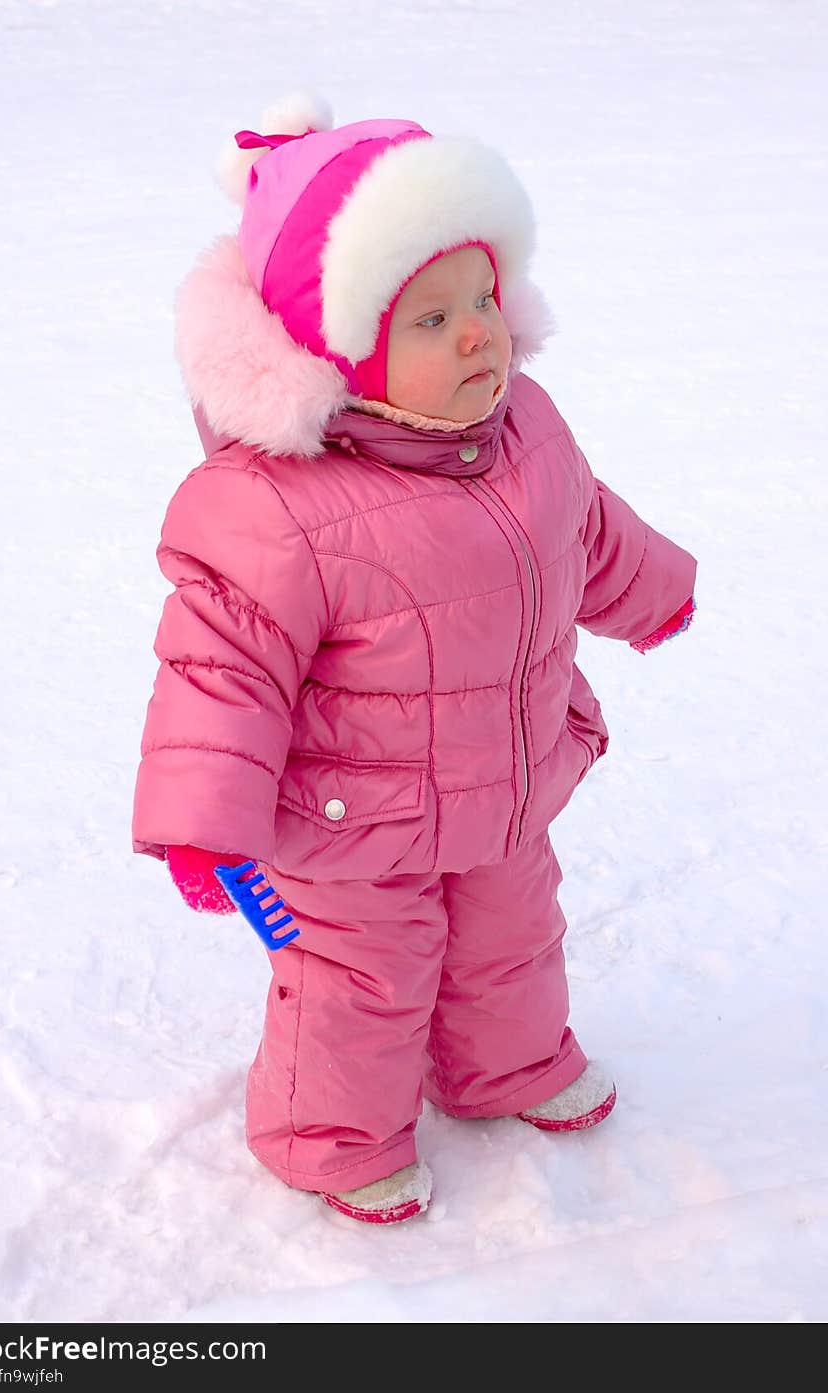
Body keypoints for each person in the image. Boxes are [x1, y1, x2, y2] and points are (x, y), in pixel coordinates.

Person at [132, 91, 697, 1224]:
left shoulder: (525, 430)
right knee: (358, 983)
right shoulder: (270, 509)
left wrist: (654, 594)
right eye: (431, 322)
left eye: (483, 295)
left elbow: (584, 529)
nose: (481, 332)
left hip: (506, 780)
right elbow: (218, 671)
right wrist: (203, 820)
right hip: (348, 825)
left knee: (511, 935)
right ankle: (330, 1137)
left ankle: (510, 1067)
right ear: (338, 350)